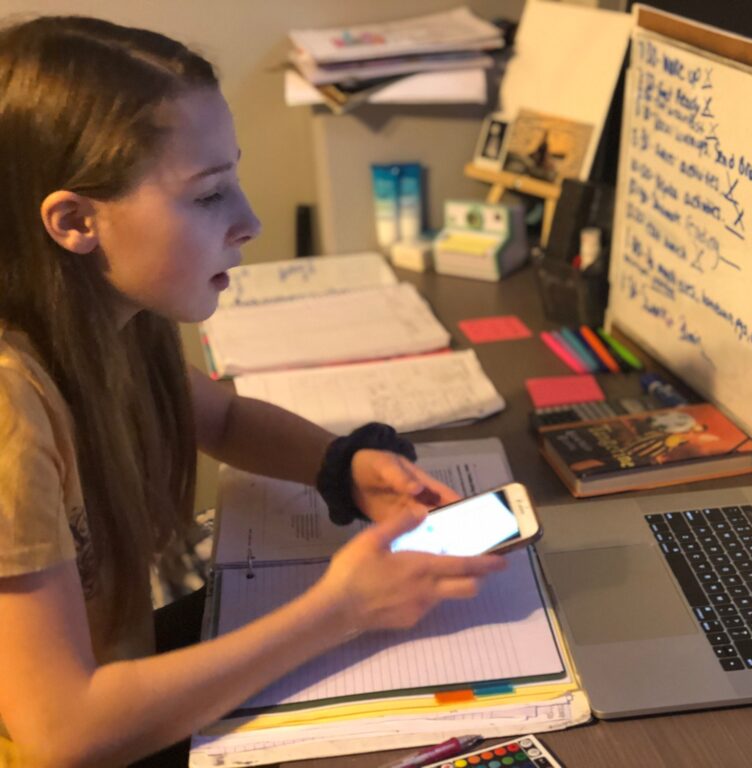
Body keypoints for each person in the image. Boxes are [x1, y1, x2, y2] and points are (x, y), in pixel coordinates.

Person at [0, 18, 505, 767]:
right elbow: (63, 731)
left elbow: (224, 417)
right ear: (76, 221)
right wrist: (340, 611)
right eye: (208, 197)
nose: (250, 221)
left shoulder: (111, 321)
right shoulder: (12, 412)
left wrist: (343, 466)